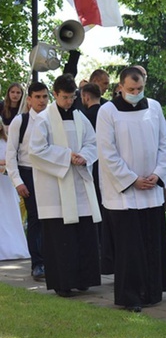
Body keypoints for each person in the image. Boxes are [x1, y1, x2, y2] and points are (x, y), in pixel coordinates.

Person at [97, 66, 166, 312]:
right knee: (129, 247)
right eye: (131, 89)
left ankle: (151, 292)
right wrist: (131, 179)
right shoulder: (108, 111)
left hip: (150, 188)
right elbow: (107, 152)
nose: (136, 93)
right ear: (120, 87)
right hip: (125, 192)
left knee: (151, 243)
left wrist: (157, 174)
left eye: (140, 89)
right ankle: (130, 296)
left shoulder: (154, 107)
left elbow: (165, 143)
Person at [28, 74, 101, 297]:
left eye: (72, 97)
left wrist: (85, 157)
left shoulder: (81, 118)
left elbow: (93, 142)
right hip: (56, 188)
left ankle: (84, 279)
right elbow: (36, 151)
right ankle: (63, 283)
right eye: (64, 97)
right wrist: (67, 156)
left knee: (84, 234)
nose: (69, 101)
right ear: (55, 94)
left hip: (79, 182)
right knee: (61, 238)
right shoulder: (44, 120)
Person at [5, 81, 49, 280]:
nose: (41, 101)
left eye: (45, 97)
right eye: (37, 97)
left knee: (51, 218)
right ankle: (38, 264)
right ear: (29, 99)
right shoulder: (19, 121)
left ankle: (51, 260)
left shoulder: (52, 120)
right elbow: (11, 153)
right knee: (35, 218)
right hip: (28, 173)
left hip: (49, 173)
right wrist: (18, 181)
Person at [0, 123, 30, 261]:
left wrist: (5, 164)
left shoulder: (6, 142)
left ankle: (15, 248)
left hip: (6, 184)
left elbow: (13, 159)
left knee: (10, 215)